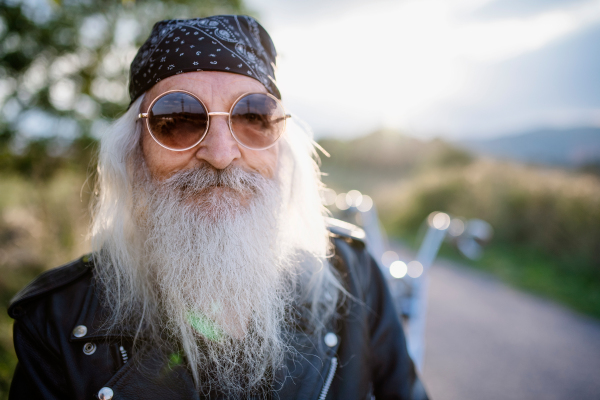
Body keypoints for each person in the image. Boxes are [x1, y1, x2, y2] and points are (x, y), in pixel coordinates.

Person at [8, 15, 428, 400]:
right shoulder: (56, 320)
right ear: (133, 155)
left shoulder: (352, 274)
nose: (222, 154)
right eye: (178, 119)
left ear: (280, 147)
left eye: (253, 116)